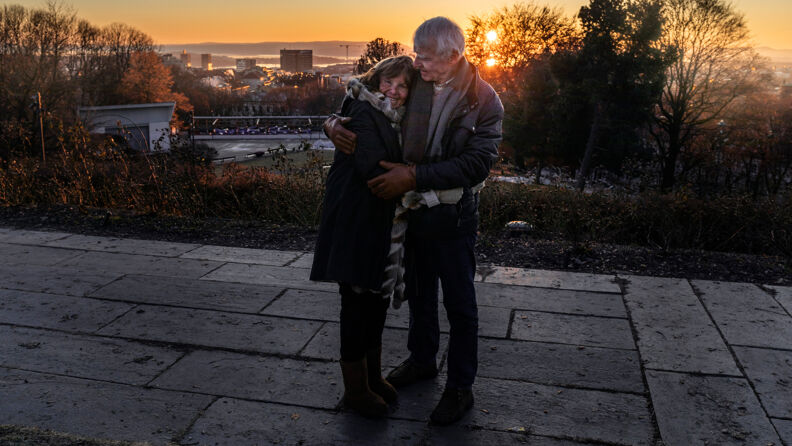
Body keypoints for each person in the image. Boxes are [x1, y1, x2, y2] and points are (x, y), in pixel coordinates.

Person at [324, 17, 504, 425]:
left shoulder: (484, 99)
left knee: (460, 305)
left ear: (452, 56)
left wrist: (415, 175)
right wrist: (333, 123)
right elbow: (371, 97)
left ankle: (460, 388)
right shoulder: (419, 81)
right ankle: (422, 361)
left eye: (424, 57)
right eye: (416, 55)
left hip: (453, 216)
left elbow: (477, 164)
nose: (417, 64)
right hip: (410, 213)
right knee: (420, 295)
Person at [310, 55, 417, 418]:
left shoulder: (394, 116)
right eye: (389, 81)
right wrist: (412, 169)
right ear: (376, 79)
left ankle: (372, 376)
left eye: (403, 86)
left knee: (375, 298)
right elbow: (373, 166)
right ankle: (356, 389)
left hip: (378, 220)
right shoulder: (363, 108)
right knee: (356, 302)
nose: (395, 91)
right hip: (356, 219)